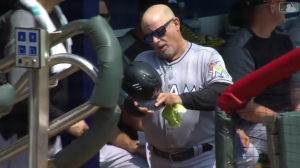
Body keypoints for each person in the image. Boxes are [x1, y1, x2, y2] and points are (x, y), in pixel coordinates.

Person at [119, 4, 259, 168]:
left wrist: (180, 99)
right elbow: (129, 102)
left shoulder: (206, 56)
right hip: (159, 160)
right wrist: (135, 107)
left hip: (203, 158)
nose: (156, 41)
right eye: (149, 37)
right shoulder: (143, 60)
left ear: (176, 24)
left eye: (159, 32)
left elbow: (222, 92)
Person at [0, 0, 88, 167]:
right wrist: (65, 121)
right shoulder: (24, 19)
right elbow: (22, 89)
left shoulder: (54, 16)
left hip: (46, 131)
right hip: (21, 139)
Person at [222, 0, 300, 160]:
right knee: (295, 145)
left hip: (285, 119)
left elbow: (295, 89)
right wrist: (286, 123)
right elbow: (244, 107)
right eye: (283, 4)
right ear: (272, 6)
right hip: (254, 123)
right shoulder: (239, 48)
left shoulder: (284, 41)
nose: (286, 8)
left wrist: (296, 116)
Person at [98, 1, 149, 167]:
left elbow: (107, 120)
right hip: (59, 142)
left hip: (108, 140)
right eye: (98, 17)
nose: (102, 22)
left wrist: (131, 146)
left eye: (106, 16)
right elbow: (128, 115)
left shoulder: (112, 56)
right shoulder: (64, 59)